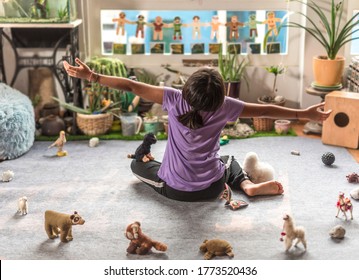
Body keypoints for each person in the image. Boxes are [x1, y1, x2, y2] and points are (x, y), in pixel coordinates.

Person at [63, 58, 332, 202]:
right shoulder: (226, 106)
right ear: (221, 96)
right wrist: (304, 113)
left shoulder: (173, 98)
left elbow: (131, 86)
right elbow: (264, 110)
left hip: (176, 190)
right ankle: (247, 185)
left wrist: (92, 76)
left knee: (136, 165)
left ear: (186, 88)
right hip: (214, 186)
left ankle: (152, 167)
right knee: (228, 160)